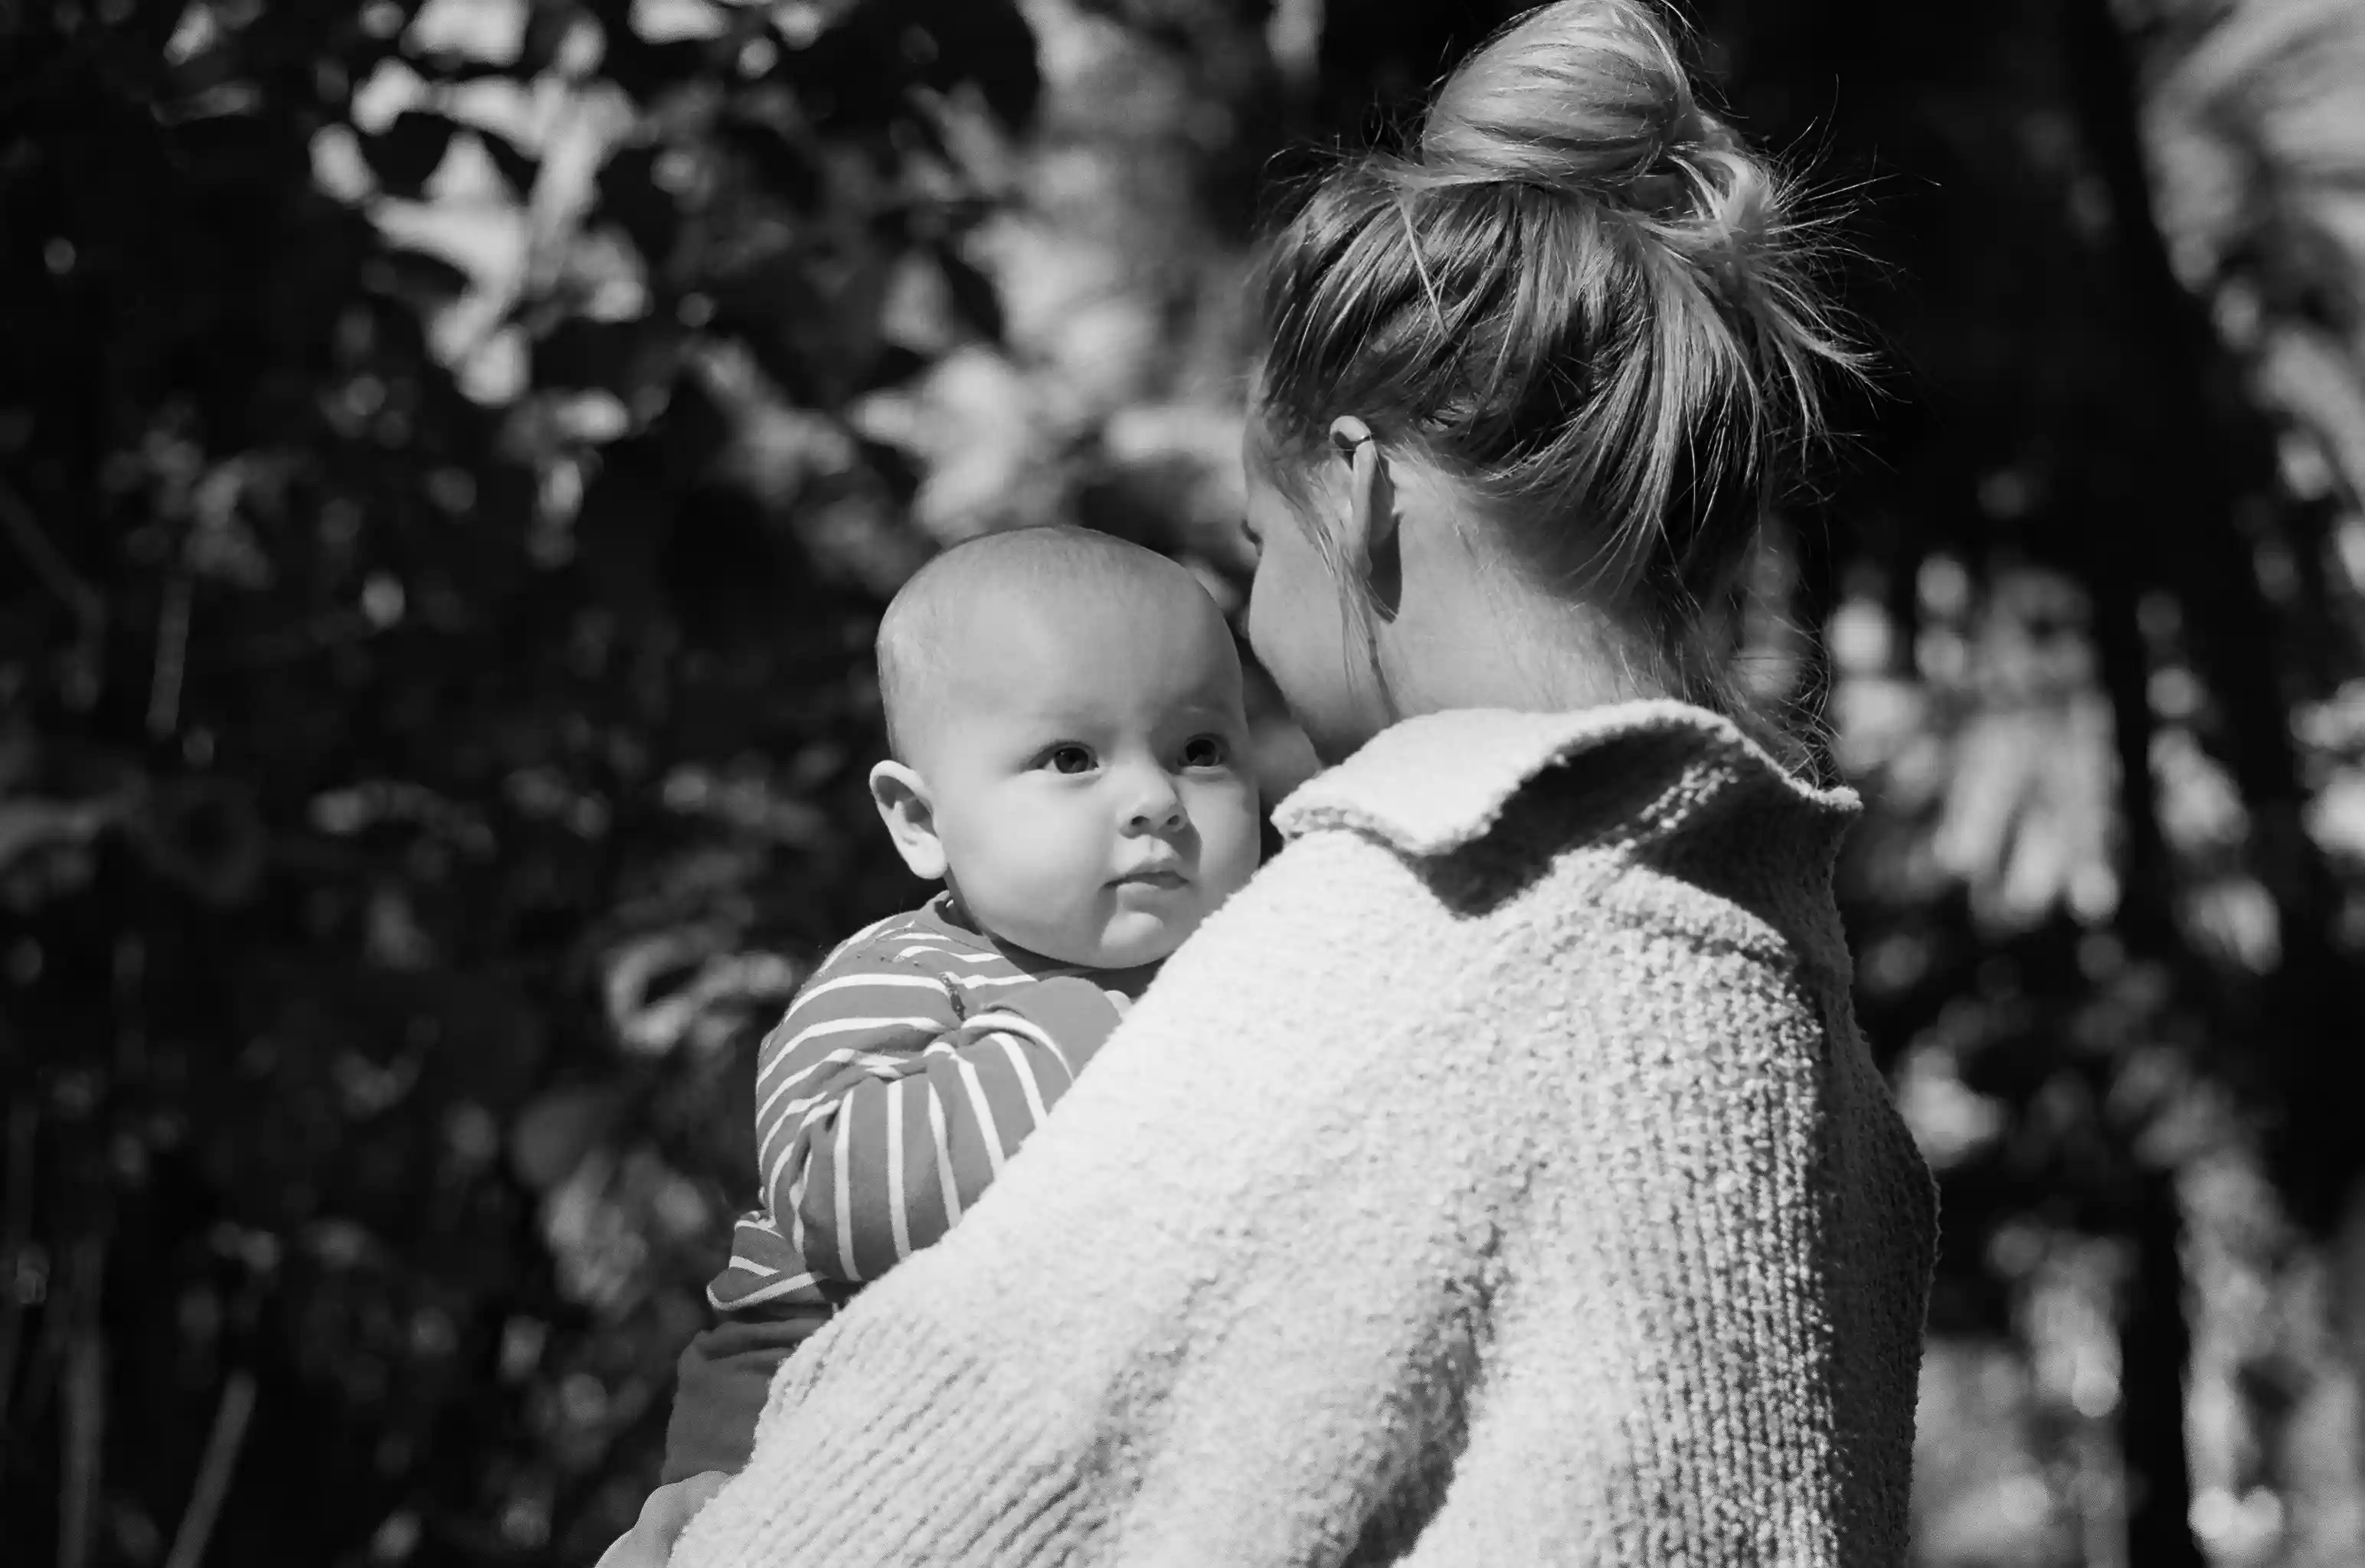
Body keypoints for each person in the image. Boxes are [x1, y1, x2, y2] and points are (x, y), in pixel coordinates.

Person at [610, 1, 1938, 1561]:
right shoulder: (1809, 1035)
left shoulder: (1378, 957)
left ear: (1360, 495)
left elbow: (894, 1516)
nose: (1247, 617)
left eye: (1255, 542)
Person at [660, 527, 1265, 1482]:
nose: (1156, 797)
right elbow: (836, 1196)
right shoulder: (908, 971)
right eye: (1071, 756)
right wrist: (1092, 1028)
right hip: (790, 1441)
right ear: (920, 821)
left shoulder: (1255, 966)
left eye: (1199, 746)